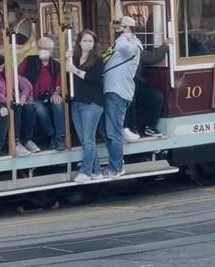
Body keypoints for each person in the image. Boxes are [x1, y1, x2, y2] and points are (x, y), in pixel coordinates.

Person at [101, 15, 142, 178]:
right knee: (105, 129)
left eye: (120, 27)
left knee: (113, 132)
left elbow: (124, 49)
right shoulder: (125, 43)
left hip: (118, 93)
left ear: (126, 28)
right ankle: (116, 162)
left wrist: (125, 36)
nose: (116, 31)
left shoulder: (132, 44)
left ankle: (116, 167)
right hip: (112, 91)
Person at [0, 42, 35, 155]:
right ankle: (14, 143)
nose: (0, 56)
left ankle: (28, 141)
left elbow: (24, 84)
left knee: (29, 108)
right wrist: (10, 101)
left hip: (9, 100)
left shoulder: (9, 70)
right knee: (16, 108)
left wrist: (23, 97)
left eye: (3, 54)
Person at [66, 29, 105, 182]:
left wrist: (75, 70)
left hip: (92, 104)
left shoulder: (97, 60)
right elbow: (66, 72)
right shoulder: (75, 58)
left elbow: (93, 78)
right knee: (84, 140)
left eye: (91, 41)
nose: (88, 43)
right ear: (79, 42)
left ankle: (85, 172)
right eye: (85, 40)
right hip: (77, 103)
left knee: (89, 140)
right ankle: (96, 171)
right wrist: (66, 59)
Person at [18, 35, 65, 151]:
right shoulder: (29, 60)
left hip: (50, 95)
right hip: (33, 97)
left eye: (46, 48)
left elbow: (58, 85)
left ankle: (60, 138)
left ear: (52, 50)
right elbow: (15, 74)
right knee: (39, 110)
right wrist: (25, 81)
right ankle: (52, 135)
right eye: (40, 48)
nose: (42, 51)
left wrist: (56, 94)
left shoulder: (57, 66)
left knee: (59, 105)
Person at [128, 36, 172, 138]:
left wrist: (165, 46)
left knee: (156, 97)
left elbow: (151, 58)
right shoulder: (118, 51)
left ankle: (149, 126)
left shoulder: (136, 48)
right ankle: (131, 128)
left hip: (137, 85)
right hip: (124, 87)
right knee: (131, 98)